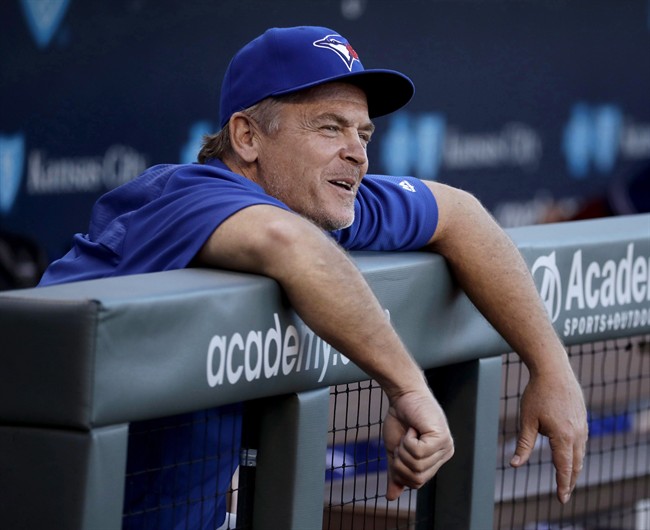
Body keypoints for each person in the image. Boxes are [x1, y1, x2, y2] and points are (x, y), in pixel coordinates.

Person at [39, 26, 588, 529]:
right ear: (248, 137)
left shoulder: (315, 197)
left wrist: (551, 367)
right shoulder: (188, 197)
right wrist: (408, 387)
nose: (357, 153)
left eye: (363, 133)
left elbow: (461, 214)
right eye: (329, 127)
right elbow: (288, 245)